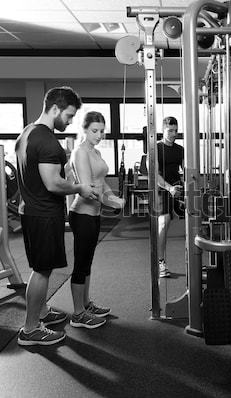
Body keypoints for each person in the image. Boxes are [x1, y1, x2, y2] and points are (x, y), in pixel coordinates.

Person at [15, 86, 98, 346]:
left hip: (32, 211)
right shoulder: (48, 140)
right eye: (69, 115)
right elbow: (53, 183)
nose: (71, 120)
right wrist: (79, 188)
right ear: (55, 109)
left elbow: (29, 176)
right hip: (43, 215)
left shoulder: (27, 133)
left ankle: (41, 312)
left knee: (42, 268)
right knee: (41, 271)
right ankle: (30, 329)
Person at [68, 111, 125, 329]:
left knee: (88, 263)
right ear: (84, 129)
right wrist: (111, 203)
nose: (100, 135)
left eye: (102, 131)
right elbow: (86, 190)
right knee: (81, 263)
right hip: (82, 214)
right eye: (95, 131)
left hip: (94, 215)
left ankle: (85, 304)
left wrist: (113, 196)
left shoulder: (96, 152)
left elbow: (101, 182)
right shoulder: (80, 153)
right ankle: (77, 314)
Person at [157, 116, 184, 278]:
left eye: (176, 131)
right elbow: (155, 175)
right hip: (161, 189)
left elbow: (186, 171)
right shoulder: (156, 149)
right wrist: (169, 188)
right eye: (170, 131)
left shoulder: (180, 149)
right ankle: (160, 262)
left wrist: (186, 188)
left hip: (177, 188)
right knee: (164, 222)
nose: (173, 134)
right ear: (163, 130)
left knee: (193, 219)